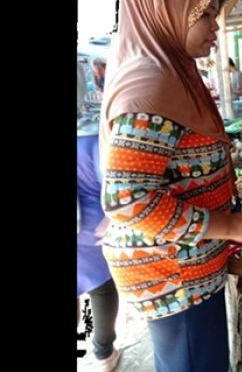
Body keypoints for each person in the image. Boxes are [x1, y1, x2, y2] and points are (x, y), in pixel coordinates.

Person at [97, 0, 242, 371]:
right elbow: (127, 200)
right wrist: (232, 226)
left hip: (184, 266)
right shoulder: (152, 85)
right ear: (169, 9)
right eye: (206, 14)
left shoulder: (169, 74)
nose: (215, 25)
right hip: (175, 276)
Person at [77, 61, 122, 371]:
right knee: (101, 287)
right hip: (92, 228)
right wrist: (112, 220)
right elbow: (114, 188)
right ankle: (104, 352)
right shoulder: (93, 135)